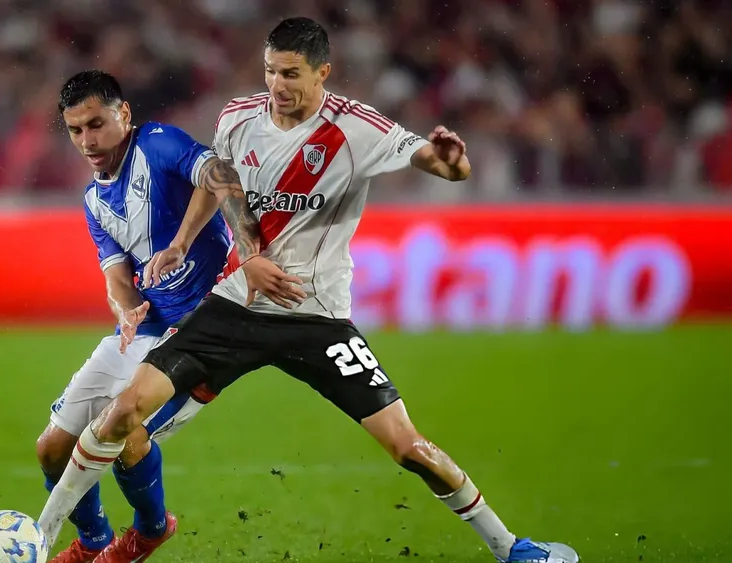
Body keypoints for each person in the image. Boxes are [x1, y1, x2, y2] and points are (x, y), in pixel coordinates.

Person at [39, 18, 581, 563]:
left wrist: (452, 159)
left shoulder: (355, 129)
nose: (278, 84)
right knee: (123, 412)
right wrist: (187, 244)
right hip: (238, 306)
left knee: (405, 446)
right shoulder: (237, 117)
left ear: (323, 72)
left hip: (317, 316)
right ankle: (44, 541)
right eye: (271, 71)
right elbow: (218, 183)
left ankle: (512, 548)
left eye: (291, 73)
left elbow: (445, 166)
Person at [39, 70, 303, 563]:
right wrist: (125, 307)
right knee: (51, 448)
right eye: (75, 130)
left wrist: (221, 249)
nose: (87, 140)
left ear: (124, 114)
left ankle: (150, 531)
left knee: (125, 433)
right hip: (147, 327)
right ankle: (92, 541)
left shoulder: (158, 145)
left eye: (96, 124)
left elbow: (222, 175)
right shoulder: (94, 200)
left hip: (202, 329)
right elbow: (116, 273)